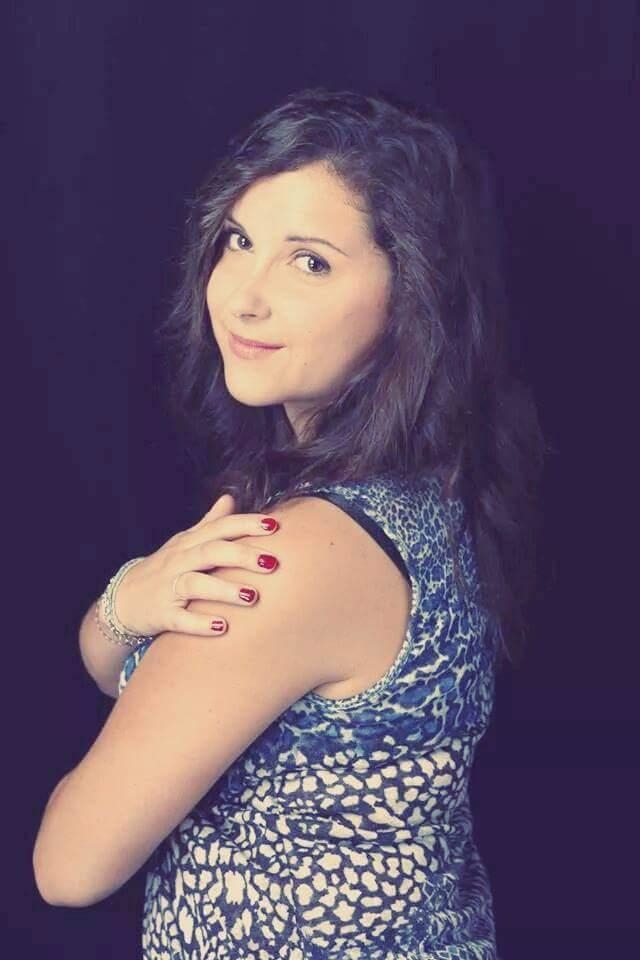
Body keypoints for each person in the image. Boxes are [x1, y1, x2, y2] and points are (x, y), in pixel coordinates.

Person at [32, 87, 546, 959]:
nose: (243, 297)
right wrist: (131, 599)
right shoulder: (435, 492)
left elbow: (68, 865)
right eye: (239, 241)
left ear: (411, 297)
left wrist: (121, 616)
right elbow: (127, 672)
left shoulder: (295, 559)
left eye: (309, 262)